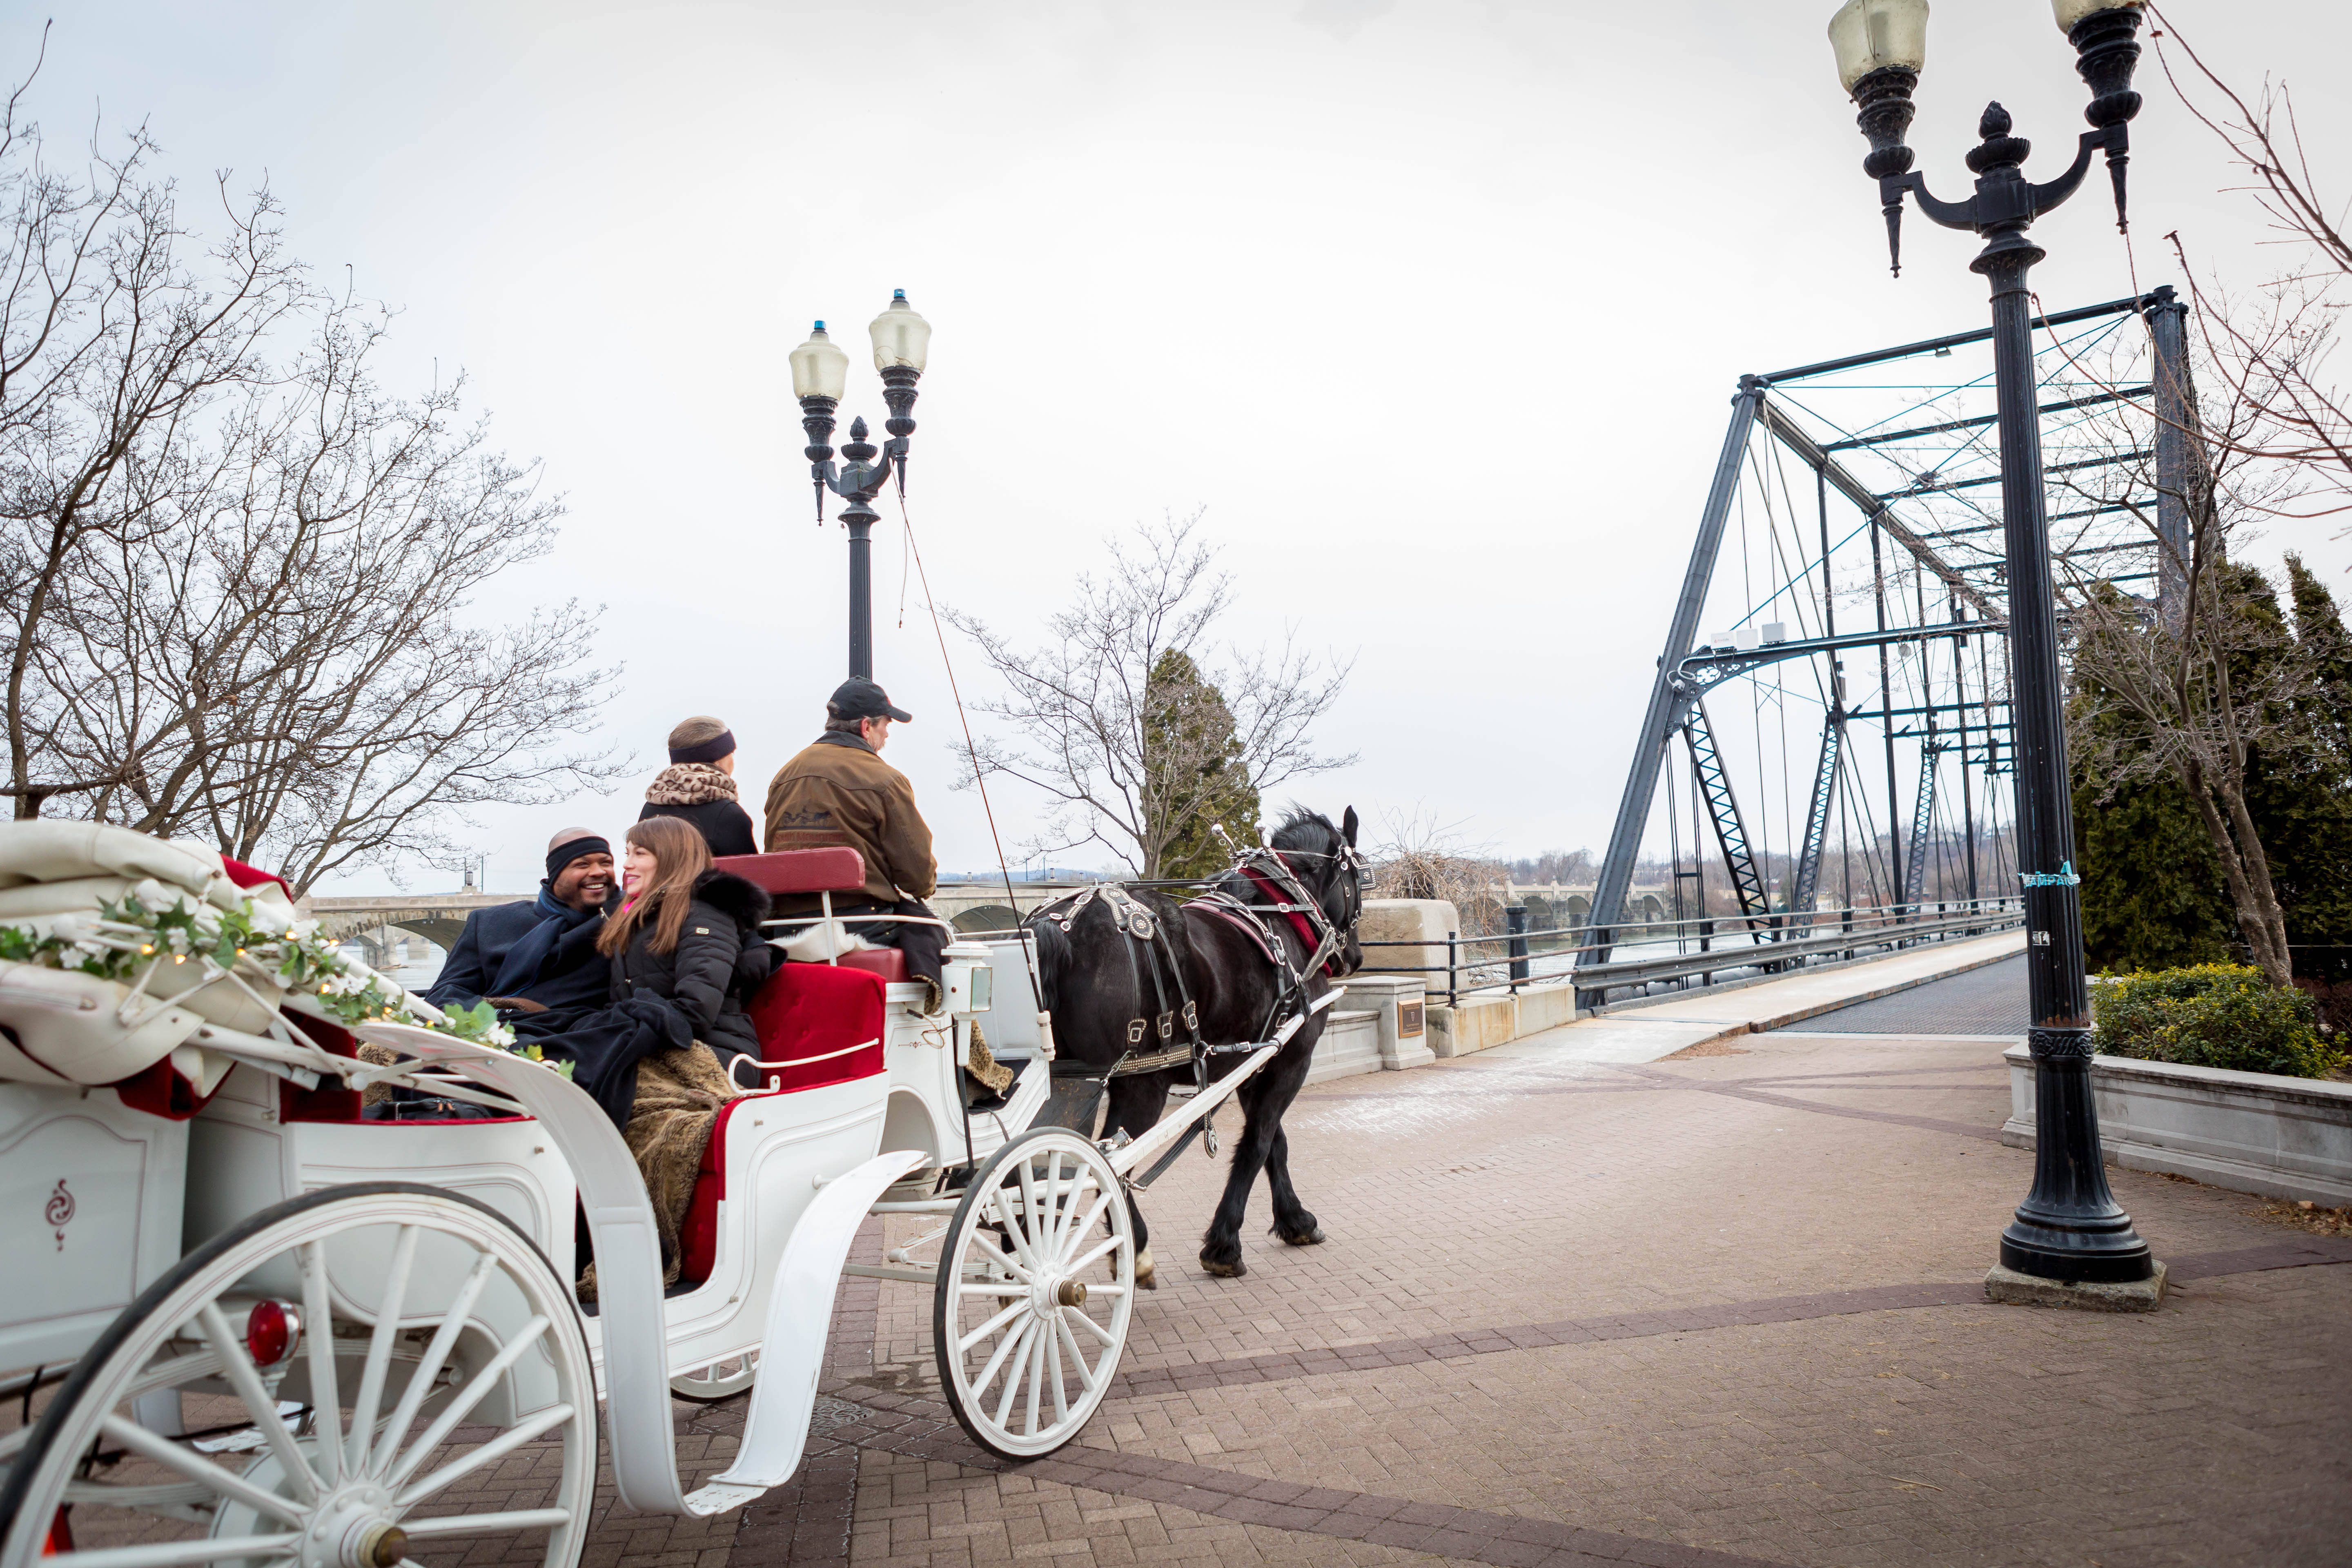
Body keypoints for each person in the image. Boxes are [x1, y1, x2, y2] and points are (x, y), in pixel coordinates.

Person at [760, 677, 948, 1005]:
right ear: (866, 727)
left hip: (785, 926)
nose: (887, 734)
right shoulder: (884, 779)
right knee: (941, 939)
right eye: (886, 725)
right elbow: (917, 878)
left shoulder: (784, 775)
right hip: (862, 925)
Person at [423, 829, 616, 1032]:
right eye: (582, 864)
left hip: (572, 1041)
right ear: (555, 872)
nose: (598, 872)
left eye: (606, 863)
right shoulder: (489, 922)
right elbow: (446, 993)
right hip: (489, 1037)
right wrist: (500, 1015)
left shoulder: (624, 923)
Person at [639, 715, 759, 858]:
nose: (733, 761)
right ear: (718, 761)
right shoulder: (728, 815)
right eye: (731, 754)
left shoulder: (650, 810)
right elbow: (750, 873)